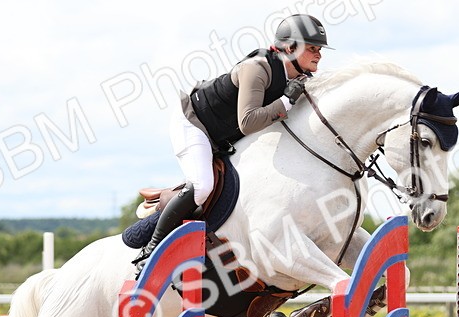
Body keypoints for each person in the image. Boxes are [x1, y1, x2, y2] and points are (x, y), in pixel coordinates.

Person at [133, 14, 331, 267]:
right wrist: (285, 102)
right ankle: (150, 252)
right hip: (194, 124)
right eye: (312, 48)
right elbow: (247, 122)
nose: (319, 55)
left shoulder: (299, 78)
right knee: (202, 186)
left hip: (225, 136)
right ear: (290, 48)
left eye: (320, 49)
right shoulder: (257, 68)